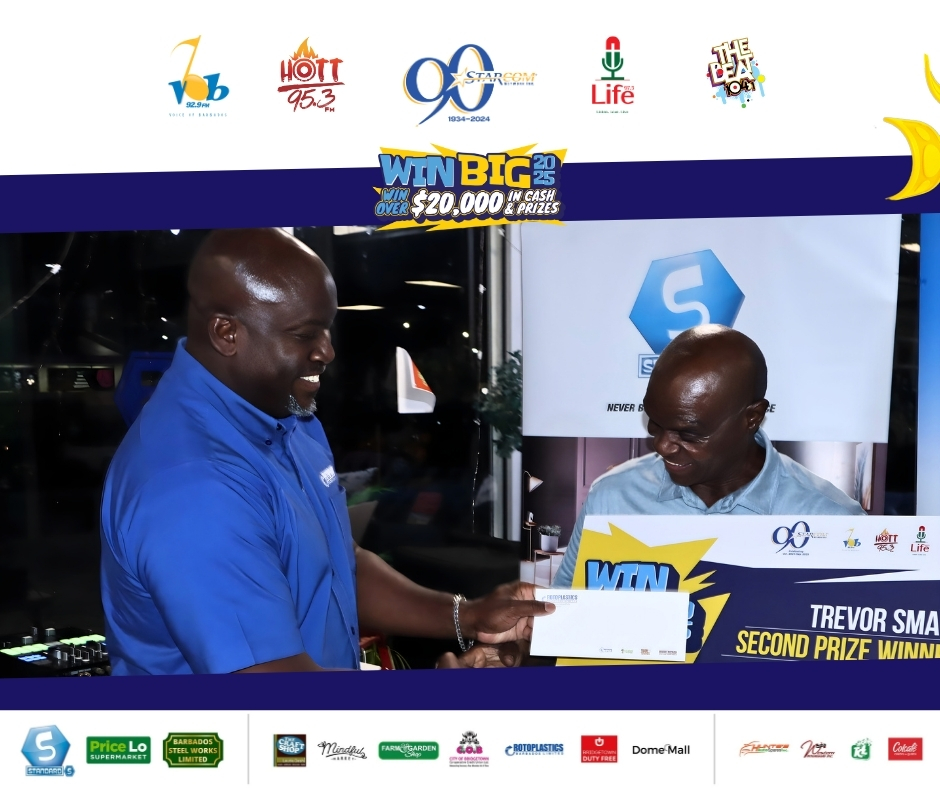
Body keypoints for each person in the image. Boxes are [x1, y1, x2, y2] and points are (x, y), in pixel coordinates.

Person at [100, 228, 552, 675]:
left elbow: (338, 567)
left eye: (327, 329)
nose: (327, 351)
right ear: (227, 332)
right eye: (305, 334)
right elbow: (272, 690)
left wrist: (467, 615)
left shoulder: (288, 417)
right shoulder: (194, 485)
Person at [552, 324, 864, 589]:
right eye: (655, 424)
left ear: (752, 418)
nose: (662, 446)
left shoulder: (832, 523)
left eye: (688, 434)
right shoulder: (613, 497)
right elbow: (564, 618)